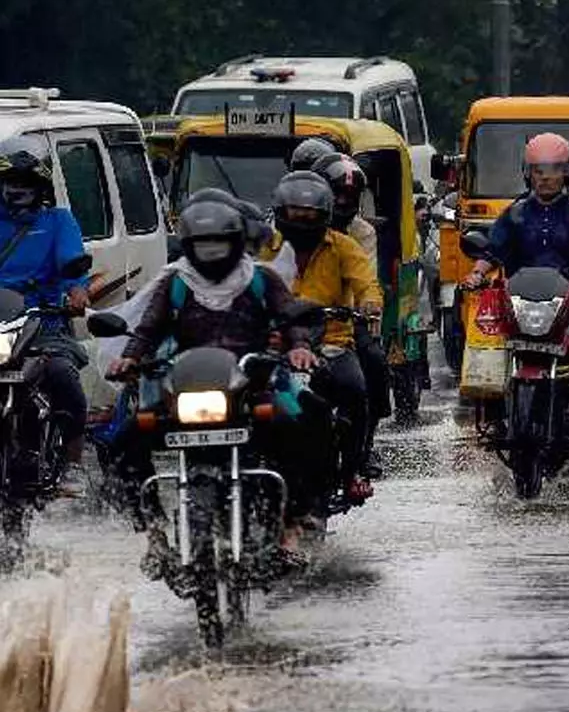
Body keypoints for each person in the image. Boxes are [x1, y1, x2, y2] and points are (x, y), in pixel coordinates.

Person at [106, 197, 322, 563]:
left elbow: (291, 317)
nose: (211, 253)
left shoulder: (260, 278)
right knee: (124, 442)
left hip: (250, 385)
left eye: (218, 244)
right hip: (189, 387)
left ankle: (291, 526)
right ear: (189, 246)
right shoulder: (177, 282)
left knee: (303, 426)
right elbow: (148, 329)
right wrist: (129, 358)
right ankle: (153, 533)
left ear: (236, 242)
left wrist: (299, 346)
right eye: (203, 245)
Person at [461, 133, 569, 433]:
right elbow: (493, 251)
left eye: (554, 170)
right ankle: (495, 418)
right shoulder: (515, 214)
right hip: (518, 302)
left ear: (567, 172)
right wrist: (477, 274)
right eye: (538, 171)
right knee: (491, 341)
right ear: (527, 173)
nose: (545, 178)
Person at [262, 172, 383, 500]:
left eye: (310, 213)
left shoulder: (344, 246)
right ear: (280, 212)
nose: (302, 219)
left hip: (332, 341)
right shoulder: (264, 246)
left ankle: (352, 470)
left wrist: (370, 303)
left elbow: (365, 281)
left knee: (355, 390)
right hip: (274, 343)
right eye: (294, 212)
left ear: (325, 215)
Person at [0, 137, 91, 491]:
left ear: (41, 187)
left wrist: (77, 291)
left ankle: (72, 463)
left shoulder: (58, 221)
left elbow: (73, 265)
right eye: (11, 182)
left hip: (43, 324)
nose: (16, 190)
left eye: (25, 183)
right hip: (0, 326)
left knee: (62, 376)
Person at [311, 153, 390, 474]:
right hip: (291, 325)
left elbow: (365, 280)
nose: (343, 202)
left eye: (350, 196)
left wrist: (367, 306)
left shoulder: (357, 236)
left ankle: (363, 446)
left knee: (373, 365)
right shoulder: (280, 233)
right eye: (336, 195)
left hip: (340, 322)